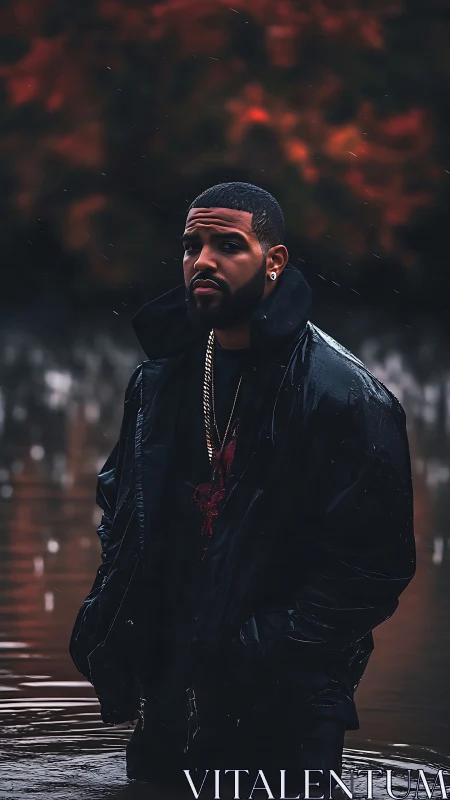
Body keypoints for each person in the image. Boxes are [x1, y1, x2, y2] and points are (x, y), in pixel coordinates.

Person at [70, 182, 415, 793]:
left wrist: (256, 650)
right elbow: (123, 511)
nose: (202, 260)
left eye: (227, 245)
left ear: (273, 262)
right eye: (191, 245)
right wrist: (114, 626)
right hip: (168, 701)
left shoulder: (344, 395)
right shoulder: (158, 384)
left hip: (288, 714)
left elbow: (374, 568)